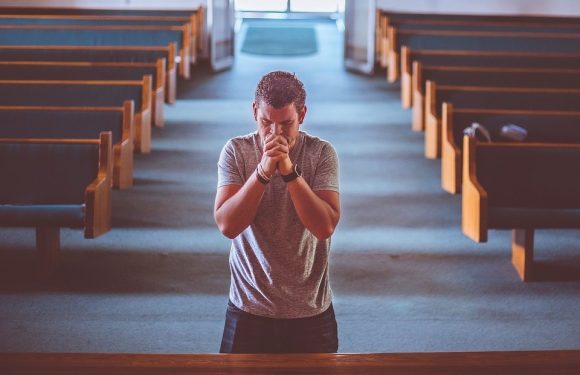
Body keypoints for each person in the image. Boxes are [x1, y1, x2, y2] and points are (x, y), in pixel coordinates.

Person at [214, 71, 341, 353]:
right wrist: (262, 171)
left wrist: (288, 172)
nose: (275, 134)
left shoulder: (321, 153)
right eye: (266, 123)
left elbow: (324, 227)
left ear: (302, 115)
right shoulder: (236, 151)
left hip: (310, 310)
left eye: (286, 124)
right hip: (248, 307)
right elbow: (228, 226)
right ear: (254, 112)